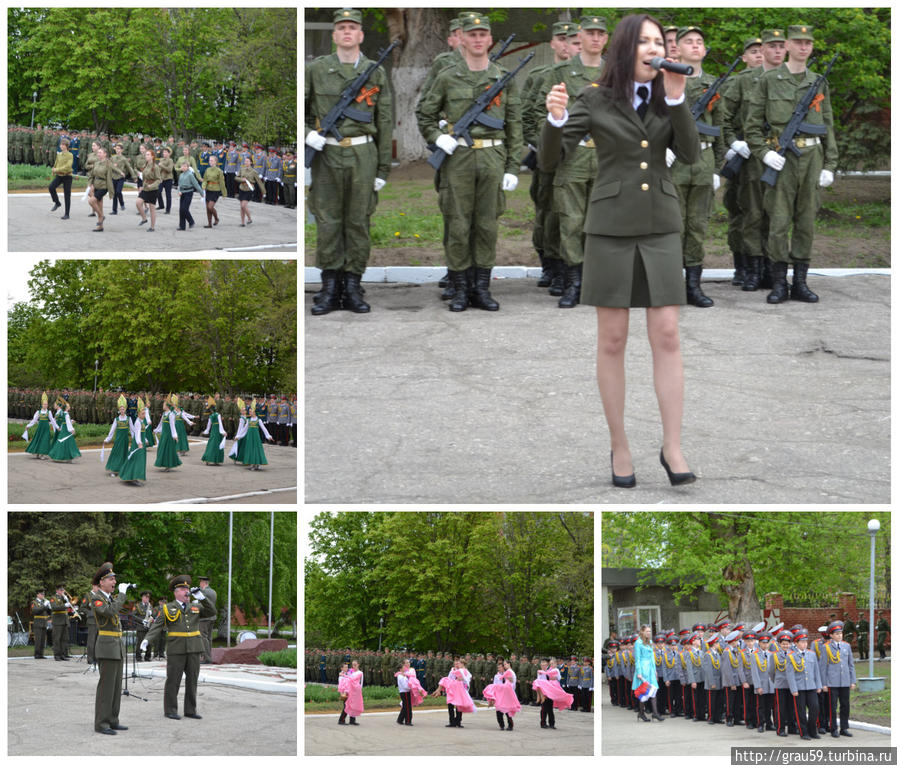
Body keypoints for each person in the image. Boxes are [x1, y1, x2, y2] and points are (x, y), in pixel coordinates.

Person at [540, 13, 699, 489]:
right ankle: (620, 445)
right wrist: (554, 119)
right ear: (627, 48)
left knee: (667, 333)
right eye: (646, 41)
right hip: (610, 226)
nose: (655, 48)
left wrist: (677, 99)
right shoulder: (595, 98)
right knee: (612, 339)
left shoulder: (672, 96)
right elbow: (550, 159)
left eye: (660, 41)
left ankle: (672, 446)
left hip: (660, 225)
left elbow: (690, 154)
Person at [416, 13, 522, 313]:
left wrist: (513, 166)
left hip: (492, 157)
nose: (477, 39)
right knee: (459, 225)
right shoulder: (448, 75)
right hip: (458, 157)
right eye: (471, 34)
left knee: (487, 225)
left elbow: (514, 126)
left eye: (482, 34)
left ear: (490, 40)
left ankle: (482, 288)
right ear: (461, 38)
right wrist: (438, 138)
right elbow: (424, 113)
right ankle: (461, 289)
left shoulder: (502, 77)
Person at [306, 9, 393, 316]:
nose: (346, 32)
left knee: (358, 221)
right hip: (327, 154)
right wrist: (307, 134)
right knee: (329, 221)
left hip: (362, 154)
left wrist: (382, 168)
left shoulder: (374, 71)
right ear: (333, 35)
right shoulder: (316, 70)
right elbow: (299, 110)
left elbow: (385, 121)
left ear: (360, 35)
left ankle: (353, 286)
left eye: (352, 27)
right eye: (341, 27)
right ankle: (329, 287)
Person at [744, 25, 837, 304]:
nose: (803, 47)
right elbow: (752, 127)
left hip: (811, 158)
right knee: (778, 222)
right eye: (797, 42)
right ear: (786, 45)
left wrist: (830, 164)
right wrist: (763, 153)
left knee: (806, 221)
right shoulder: (769, 80)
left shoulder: (818, 81)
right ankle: (779, 283)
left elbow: (828, 125)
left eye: (808, 42)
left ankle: (800, 283)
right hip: (781, 158)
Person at [536, 16, 609, 308]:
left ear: (606, 39)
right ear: (580, 36)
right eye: (589, 33)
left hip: (607, 156)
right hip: (574, 155)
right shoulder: (561, 72)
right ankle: (573, 281)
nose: (594, 38)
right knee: (571, 221)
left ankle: (599, 281)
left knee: (603, 221)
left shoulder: (617, 73)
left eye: (599, 34)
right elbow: (550, 115)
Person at [669, 26, 725, 307]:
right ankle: (670, 285)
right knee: (672, 225)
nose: (694, 46)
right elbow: (654, 122)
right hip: (674, 160)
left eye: (699, 42)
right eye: (688, 42)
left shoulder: (714, 83)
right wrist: (661, 150)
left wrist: (718, 168)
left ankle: (694, 285)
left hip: (704, 160)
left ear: (704, 50)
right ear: (677, 49)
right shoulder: (665, 79)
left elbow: (721, 128)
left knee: (697, 225)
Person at [522, 21, 572, 292]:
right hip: (548, 156)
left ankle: (568, 267)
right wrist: (539, 146)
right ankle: (549, 264)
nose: (567, 45)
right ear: (553, 43)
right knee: (547, 212)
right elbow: (527, 115)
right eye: (562, 39)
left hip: (578, 158)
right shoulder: (541, 75)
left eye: (572, 40)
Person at [718, 35, 765, 287]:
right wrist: (732, 145)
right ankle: (743, 265)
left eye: (761, 50)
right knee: (741, 212)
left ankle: (764, 266)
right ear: (744, 57)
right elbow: (723, 119)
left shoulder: (777, 81)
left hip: (768, 155)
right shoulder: (738, 83)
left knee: (767, 212)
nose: (758, 55)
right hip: (743, 156)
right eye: (753, 51)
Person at [141, 574, 215, 720]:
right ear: (176, 593)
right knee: (173, 680)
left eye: (187, 588)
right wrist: (147, 640)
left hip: (194, 648)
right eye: (183, 589)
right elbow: (157, 626)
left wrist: (202, 598)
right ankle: (170, 710)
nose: (186, 591)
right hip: (176, 649)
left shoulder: (195, 606)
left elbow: (212, 611)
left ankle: (190, 710)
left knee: (192, 680)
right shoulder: (168, 608)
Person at [91, 563, 130, 734]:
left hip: (116, 647)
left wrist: (118, 596)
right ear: (101, 582)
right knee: (106, 688)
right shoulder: (96, 598)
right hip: (107, 647)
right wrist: (122, 594)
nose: (114, 582)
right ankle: (101, 723)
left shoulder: (110, 598)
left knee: (115, 687)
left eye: (114, 579)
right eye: (111, 579)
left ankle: (113, 719)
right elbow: (108, 612)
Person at [819, 621, 856, 737]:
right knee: (832, 707)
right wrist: (824, 684)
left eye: (841, 633)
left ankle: (844, 728)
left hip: (845, 681)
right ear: (831, 635)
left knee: (845, 705)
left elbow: (851, 665)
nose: (839, 636)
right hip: (832, 682)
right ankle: (833, 728)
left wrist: (852, 680)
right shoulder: (826, 647)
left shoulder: (847, 646)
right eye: (836, 634)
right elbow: (822, 667)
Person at [786, 628, 822, 740]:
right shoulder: (791, 656)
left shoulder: (811, 654)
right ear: (796, 643)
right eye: (802, 642)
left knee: (815, 708)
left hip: (811, 686)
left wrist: (819, 685)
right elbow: (790, 674)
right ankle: (804, 732)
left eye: (806, 642)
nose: (804, 644)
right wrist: (793, 689)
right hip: (799, 687)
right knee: (800, 711)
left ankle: (813, 731)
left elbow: (816, 671)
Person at [632, 624, 663, 722]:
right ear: (642, 632)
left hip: (650, 668)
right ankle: (641, 712)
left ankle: (655, 713)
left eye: (650, 631)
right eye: (647, 631)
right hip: (643, 668)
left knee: (653, 690)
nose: (649, 633)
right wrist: (639, 672)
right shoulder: (638, 643)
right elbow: (637, 659)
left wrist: (654, 670)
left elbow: (652, 657)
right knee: (644, 692)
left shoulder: (650, 642)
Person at [433, 659, 476, 728]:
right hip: (452, 689)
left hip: (459, 689)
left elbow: (466, 679)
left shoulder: (463, 671)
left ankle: (458, 721)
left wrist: (455, 674)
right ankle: (452, 722)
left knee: (459, 705)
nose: (457, 665)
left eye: (458, 664)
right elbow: (449, 678)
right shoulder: (454, 670)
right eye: (456, 664)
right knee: (450, 705)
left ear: (462, 664)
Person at [234, 400, 275, 470]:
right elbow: (244, 430)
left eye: (250, 411)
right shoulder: (249, 420)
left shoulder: (258, 420)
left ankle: (257, 463)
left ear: (254, 412)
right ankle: (252, 463)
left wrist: (268, 436)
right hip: (249, 437)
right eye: (249, 411)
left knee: (256, 449)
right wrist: (238, 436)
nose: (249, 412)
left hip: (256, 437)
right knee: (250, 449)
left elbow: (264, 429)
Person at [117, 402, 146, 485]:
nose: (144, 415)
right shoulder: (137, 422)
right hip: (137, 445)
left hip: (140, 443)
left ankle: (131, 476)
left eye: (144, 413)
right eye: (143, 413)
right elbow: (137, 434)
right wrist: (139, 443)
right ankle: (133, 478)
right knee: (135, 461)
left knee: (137, 461)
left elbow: (141, 433)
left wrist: (145, 439)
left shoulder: (142, 421)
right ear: (139, 414)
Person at [87, 146, 114, 232]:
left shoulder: (108, 164)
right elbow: (91, 175)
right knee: (99, 205)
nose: (98, 154)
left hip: (103, 186)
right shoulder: (96, 163)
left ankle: (101, 216)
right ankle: (100, 226)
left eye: (100, 153)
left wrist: (111, 192)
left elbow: (109, 178)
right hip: (96, 185)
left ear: (105, 154)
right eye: (98, 152)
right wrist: (90, 184)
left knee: (91, 201)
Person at [102, 397, 131, 477]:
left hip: (125, 441)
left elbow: (133, 431)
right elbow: (112, 430)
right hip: (118, 440)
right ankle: (113, 470)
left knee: (124, 455)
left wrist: (137, 439)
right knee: (116, 454)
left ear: (125, 409)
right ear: (119, 410)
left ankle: (122, 470)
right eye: (121, 409)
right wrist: (107, 439)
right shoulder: (116, 419)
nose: (122, 410)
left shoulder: (129, 419)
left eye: (123, 409)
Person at [23, 392, 56, 459]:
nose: (45, 405)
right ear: (42, 405)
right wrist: (28, 426)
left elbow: (52, 421)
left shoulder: (49, 412)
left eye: (46, 404)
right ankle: (37, 452)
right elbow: (34, 420)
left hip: (46, 429)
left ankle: (42, 454)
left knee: (45, 440)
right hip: (40, 429)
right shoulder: (38, 412)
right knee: (39, 439)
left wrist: (57, 427)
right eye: (44, 404)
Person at [235, 156, 265, 227]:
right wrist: (241, 179)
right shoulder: (242, 169)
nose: (246, 162)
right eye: (245, 161)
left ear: (251, 162)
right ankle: (242, 222)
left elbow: (259, 182)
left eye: (247, 161)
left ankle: (249, 218)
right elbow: (236, 177)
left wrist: (264, 192)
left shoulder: (254, 172)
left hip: (249, 189)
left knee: (243, 205)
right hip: (242, 188)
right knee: (241, 207)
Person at [153, 399, 183, 471]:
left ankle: (168, 465)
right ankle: (164, 464)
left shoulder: (171, 414)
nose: (163, 406)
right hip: (164, 435)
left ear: (167, 406)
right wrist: (156, 430)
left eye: (164, 404)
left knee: (167, 450)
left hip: (169, 435)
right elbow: (161, 424)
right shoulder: (164, 414)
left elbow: (172, 426)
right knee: (161, 449)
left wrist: (175, 435)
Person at [395, 658, 426, 726]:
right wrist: (411, 687)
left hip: (407, 691)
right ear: (401, 668)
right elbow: (405, 686)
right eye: (404, 666)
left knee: (405, 706)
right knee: (408, 707)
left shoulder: (407, 673)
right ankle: (408, 721)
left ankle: (400, 719)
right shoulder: (400, 676)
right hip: (405, 692)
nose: (406, 666)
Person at [49, 137, 74, 219]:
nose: (61, 146)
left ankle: (67, 214)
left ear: (66, 146)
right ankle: (57, 202)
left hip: (67, 176)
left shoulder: (70, 155)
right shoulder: (59, 154)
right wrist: (54, 169)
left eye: (63, 144)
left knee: (67, 195)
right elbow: (56, 163)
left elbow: (68, 166)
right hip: (59, 175)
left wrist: (57, 169)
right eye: (61, 144)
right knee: (51, 187)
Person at [176, 160, 204, 231]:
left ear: (188, 167)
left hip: (189, 192)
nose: (183, 167)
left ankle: (191, 221)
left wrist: (201, 193)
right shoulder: (181, 175)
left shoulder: (190, 175)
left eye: (185, 166)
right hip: (182, 193)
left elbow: (196, 184)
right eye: (182, 166)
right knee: (181, 210)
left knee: (184, 209)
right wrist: (179, 191)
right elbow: (179, 185)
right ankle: (182, 226)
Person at [137, 149, 161, 231]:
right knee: (138, 203)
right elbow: (144, 178)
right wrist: (142, 186)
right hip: (145, 188)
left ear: (152, 157)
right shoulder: (146, 165)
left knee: (152, 208)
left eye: (148, 155)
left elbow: (159, 179)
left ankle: (152, 227)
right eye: (146, 154)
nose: (146, 156)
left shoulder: (155, 167)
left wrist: (152, 185)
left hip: (153, 189)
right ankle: (144, 219)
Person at [109, 143, 136, 215]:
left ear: (122, 150)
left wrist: (134, 176)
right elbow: (109, 166)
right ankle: (114, 210)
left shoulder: (124, 159)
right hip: (113, 177)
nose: (117, 150)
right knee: (114, 194)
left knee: (118, 191)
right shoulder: (112, 158)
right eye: (116, 148)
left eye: (119, 149)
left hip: (121, 177)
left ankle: (122, 203)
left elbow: (129, 168)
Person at [201, 154, 227, 227]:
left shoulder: (219, 171)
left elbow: (222, 182)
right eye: (209, 160)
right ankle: (209, 224)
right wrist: (203, 186)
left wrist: (224, 193)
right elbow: (205, 179)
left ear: (216, 162)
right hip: (208, 189)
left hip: (216, 190)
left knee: (210, 207)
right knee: (207, 208)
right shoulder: (207, 170)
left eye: (212, 160)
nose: (210, 162)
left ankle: (216, 218)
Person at [195, 576, 217, 663]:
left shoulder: (203, 591)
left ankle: (206, 658)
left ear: (204, 583)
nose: (199, 584)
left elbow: (200, 601)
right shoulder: (213, 591)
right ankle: (208, 656)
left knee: (203, 637)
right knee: (209, 637)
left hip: (204, 618)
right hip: (212, 617)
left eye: (200, 582)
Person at [200, 397, 227, 465]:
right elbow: (220, 424)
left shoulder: (211, 416)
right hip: (217, 431)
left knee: (211, 444)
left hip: (213, 431)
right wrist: (223, 432)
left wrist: (206, 431)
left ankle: (208, 459)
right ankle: (216, 460)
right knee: (217, 444)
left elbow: (208, 426)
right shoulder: (218, 415)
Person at [338, 659, 365, 725]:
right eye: (353, 665)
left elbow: (352, 679)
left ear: (358, 664)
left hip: (354, 691)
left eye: (355, 664)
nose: (353, 666)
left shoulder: (357, 673)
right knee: (347, 706)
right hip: (347, 692)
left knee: (353, 705)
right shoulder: (347, 673)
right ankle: (341, 720)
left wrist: (343, 675)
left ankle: (352, 720)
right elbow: (343, 682)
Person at [31, 588, 51, 659]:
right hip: (38, 623)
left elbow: (49, 612)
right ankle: (36, 654)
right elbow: (35, 611)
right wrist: (44, 606)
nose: (43, 595)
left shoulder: (44, 602)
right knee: (38, 640)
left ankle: (41, 654)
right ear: (37, 595)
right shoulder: (34, 602)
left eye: (44, 594)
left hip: (44, 623)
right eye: (41, 594)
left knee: (43, 640)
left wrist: (49, 607)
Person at [135, 591, 154, 661]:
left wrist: (152, 616)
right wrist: (141, 620)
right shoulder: (137, 606)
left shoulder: (150, 606)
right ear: (142, 597)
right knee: (140, 642)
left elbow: (153, 616)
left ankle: (147, 657)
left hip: (149, 627)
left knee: (149, 642)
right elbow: (133, 616)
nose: (147, 599)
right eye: (146, 597)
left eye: (148, 597)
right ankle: (138, 657)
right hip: (141, 627)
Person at [157, 146, 175, 214]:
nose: (164, 153)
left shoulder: (170, 160)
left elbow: (169, 170)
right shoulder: (161, 160)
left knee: (168, 195)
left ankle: (168, 209)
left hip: (168, 179)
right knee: (158, 192)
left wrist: (161, 166)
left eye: (165, 152)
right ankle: (161, 205)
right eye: (163, 152)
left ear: (169, 153)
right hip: (161, 179)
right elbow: (159, 170)